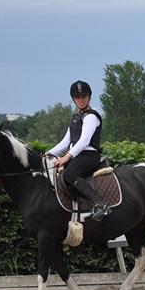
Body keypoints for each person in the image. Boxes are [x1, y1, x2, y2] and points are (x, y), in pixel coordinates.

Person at [46, 80, 112, 221]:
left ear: (89, 97)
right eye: (77, 97)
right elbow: (65, 142)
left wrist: (66, 157)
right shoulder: (76, 117)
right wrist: (48, 154)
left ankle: (100, 203)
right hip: (77, 156)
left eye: (84, 96)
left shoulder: (91, 117)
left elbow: (84, 142)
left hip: (89, 155)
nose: (81, 100)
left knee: (69, 174)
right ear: (73, 99)